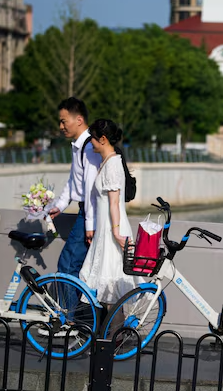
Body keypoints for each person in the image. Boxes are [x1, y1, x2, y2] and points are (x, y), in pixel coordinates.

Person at [79, 119, 140, 311]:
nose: (91, 143)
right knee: (108, 292)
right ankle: (110, 337)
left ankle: (113, 338)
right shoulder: (108, 161)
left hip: (113, 229)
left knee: (112, 290)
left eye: (93, 139)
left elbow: (114, 202)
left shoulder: (113, 163)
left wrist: (115, 233)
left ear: (103, 139)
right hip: (107, 228)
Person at [46, 97, 101, 311]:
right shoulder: (79, 146)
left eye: (63, 121)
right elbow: (74, 181)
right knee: (77, 267)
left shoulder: (89, 147)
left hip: (90, 213)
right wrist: (59, 206)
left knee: (68, 265)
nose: (61, 126)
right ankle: (76, 318)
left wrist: (89, 225)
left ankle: (70, 321)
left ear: (79, 120)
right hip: (86, 212)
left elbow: (90, 190)